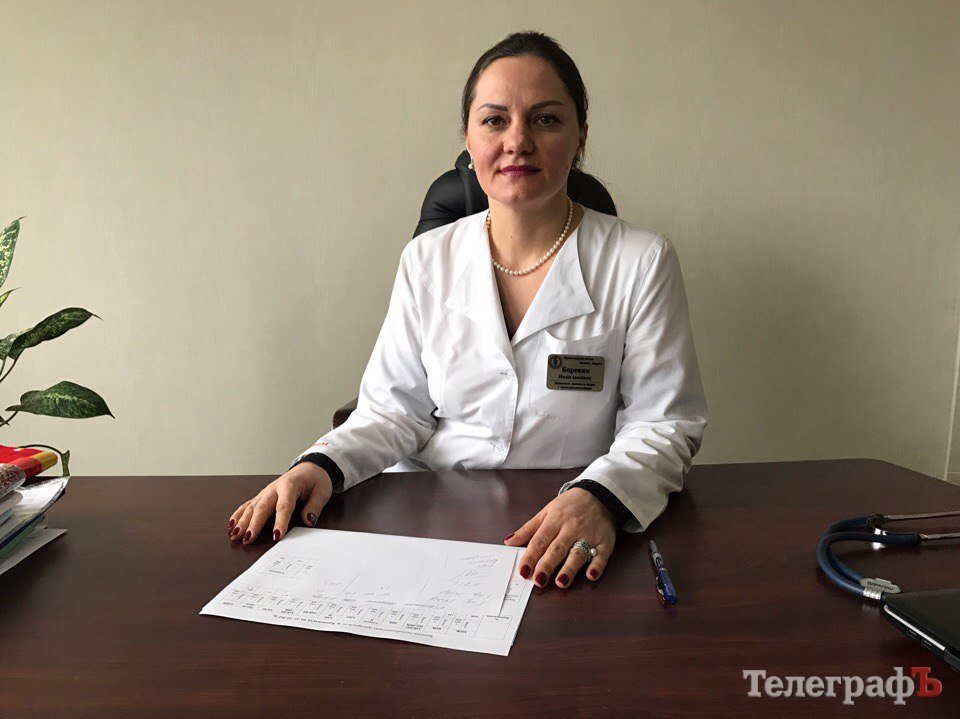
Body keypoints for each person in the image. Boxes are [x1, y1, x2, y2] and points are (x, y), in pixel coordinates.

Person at [227, 31, 708, 591]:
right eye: (495, 120)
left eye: (546, 120)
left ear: (580, 136)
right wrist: (319, 466)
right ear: (468, 138)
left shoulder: (641, 261)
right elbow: (393, 410)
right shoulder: (427, 259)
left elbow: (662, 423)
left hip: (568, 520)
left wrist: (600, 497)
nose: (518, 141)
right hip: (430, 521)